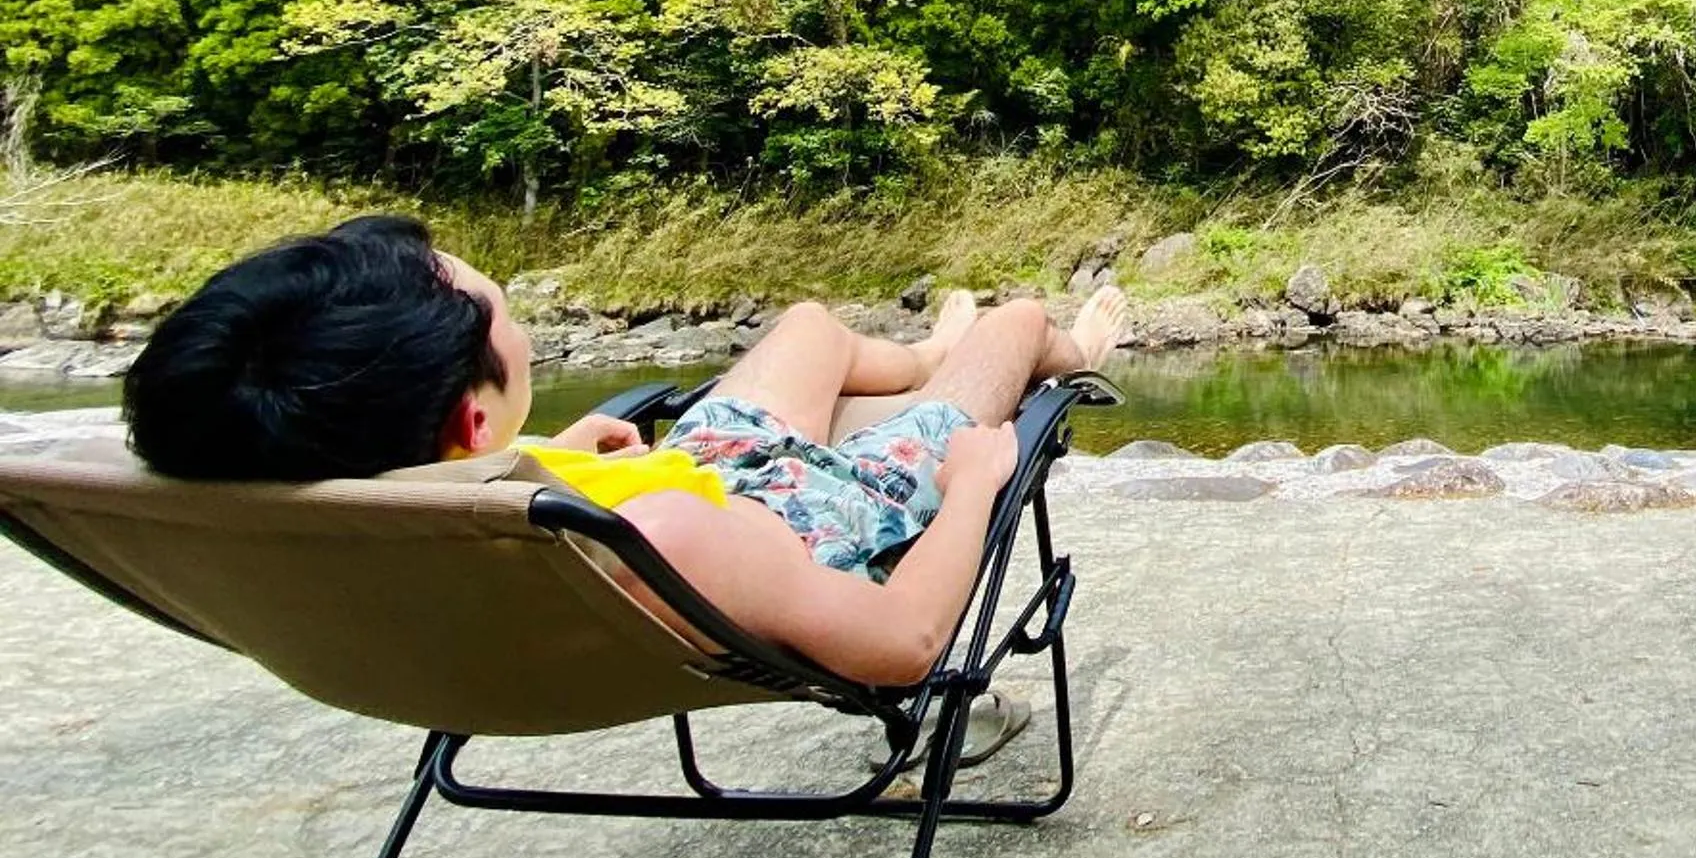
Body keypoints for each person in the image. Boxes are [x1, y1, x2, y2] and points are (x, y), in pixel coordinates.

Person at [122, 214, 1127, 688]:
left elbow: (455, 493)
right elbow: (905, 644)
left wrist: (542, 459)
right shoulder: (683, 537)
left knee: (810, 328)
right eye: (503, 314)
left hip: (644, 499)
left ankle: (924, 353)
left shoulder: (370, 518)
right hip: (802, 520)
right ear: (473, 418)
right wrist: (971, 489)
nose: (513, 321)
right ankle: (1060, 348)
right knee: (1020, 323)